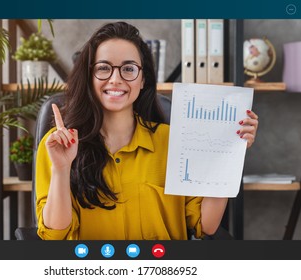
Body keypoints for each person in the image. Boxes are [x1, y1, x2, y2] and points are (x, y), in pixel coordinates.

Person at [35, 21, 259, 240]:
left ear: (143, 79)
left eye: (128, 69)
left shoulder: (174, 142)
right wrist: (61, 169)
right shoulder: (58, 145)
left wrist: (228, 153)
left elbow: (206, 225)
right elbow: (55, 235)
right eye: (103, 68)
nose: (115, 79)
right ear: (89, 77)